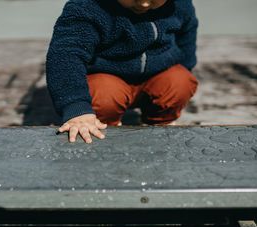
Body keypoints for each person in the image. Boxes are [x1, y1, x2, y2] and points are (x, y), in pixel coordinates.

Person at [47, 0, 198, 143]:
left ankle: (159, 124)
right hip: (107, 77)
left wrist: (186, 66)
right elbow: (66, 54)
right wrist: (76, 106)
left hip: (156, 75)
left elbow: (187, 35)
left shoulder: (179, 5)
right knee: (104, 96)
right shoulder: (87, 7)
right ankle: (104, 128)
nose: (144, 3)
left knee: (180, 82)